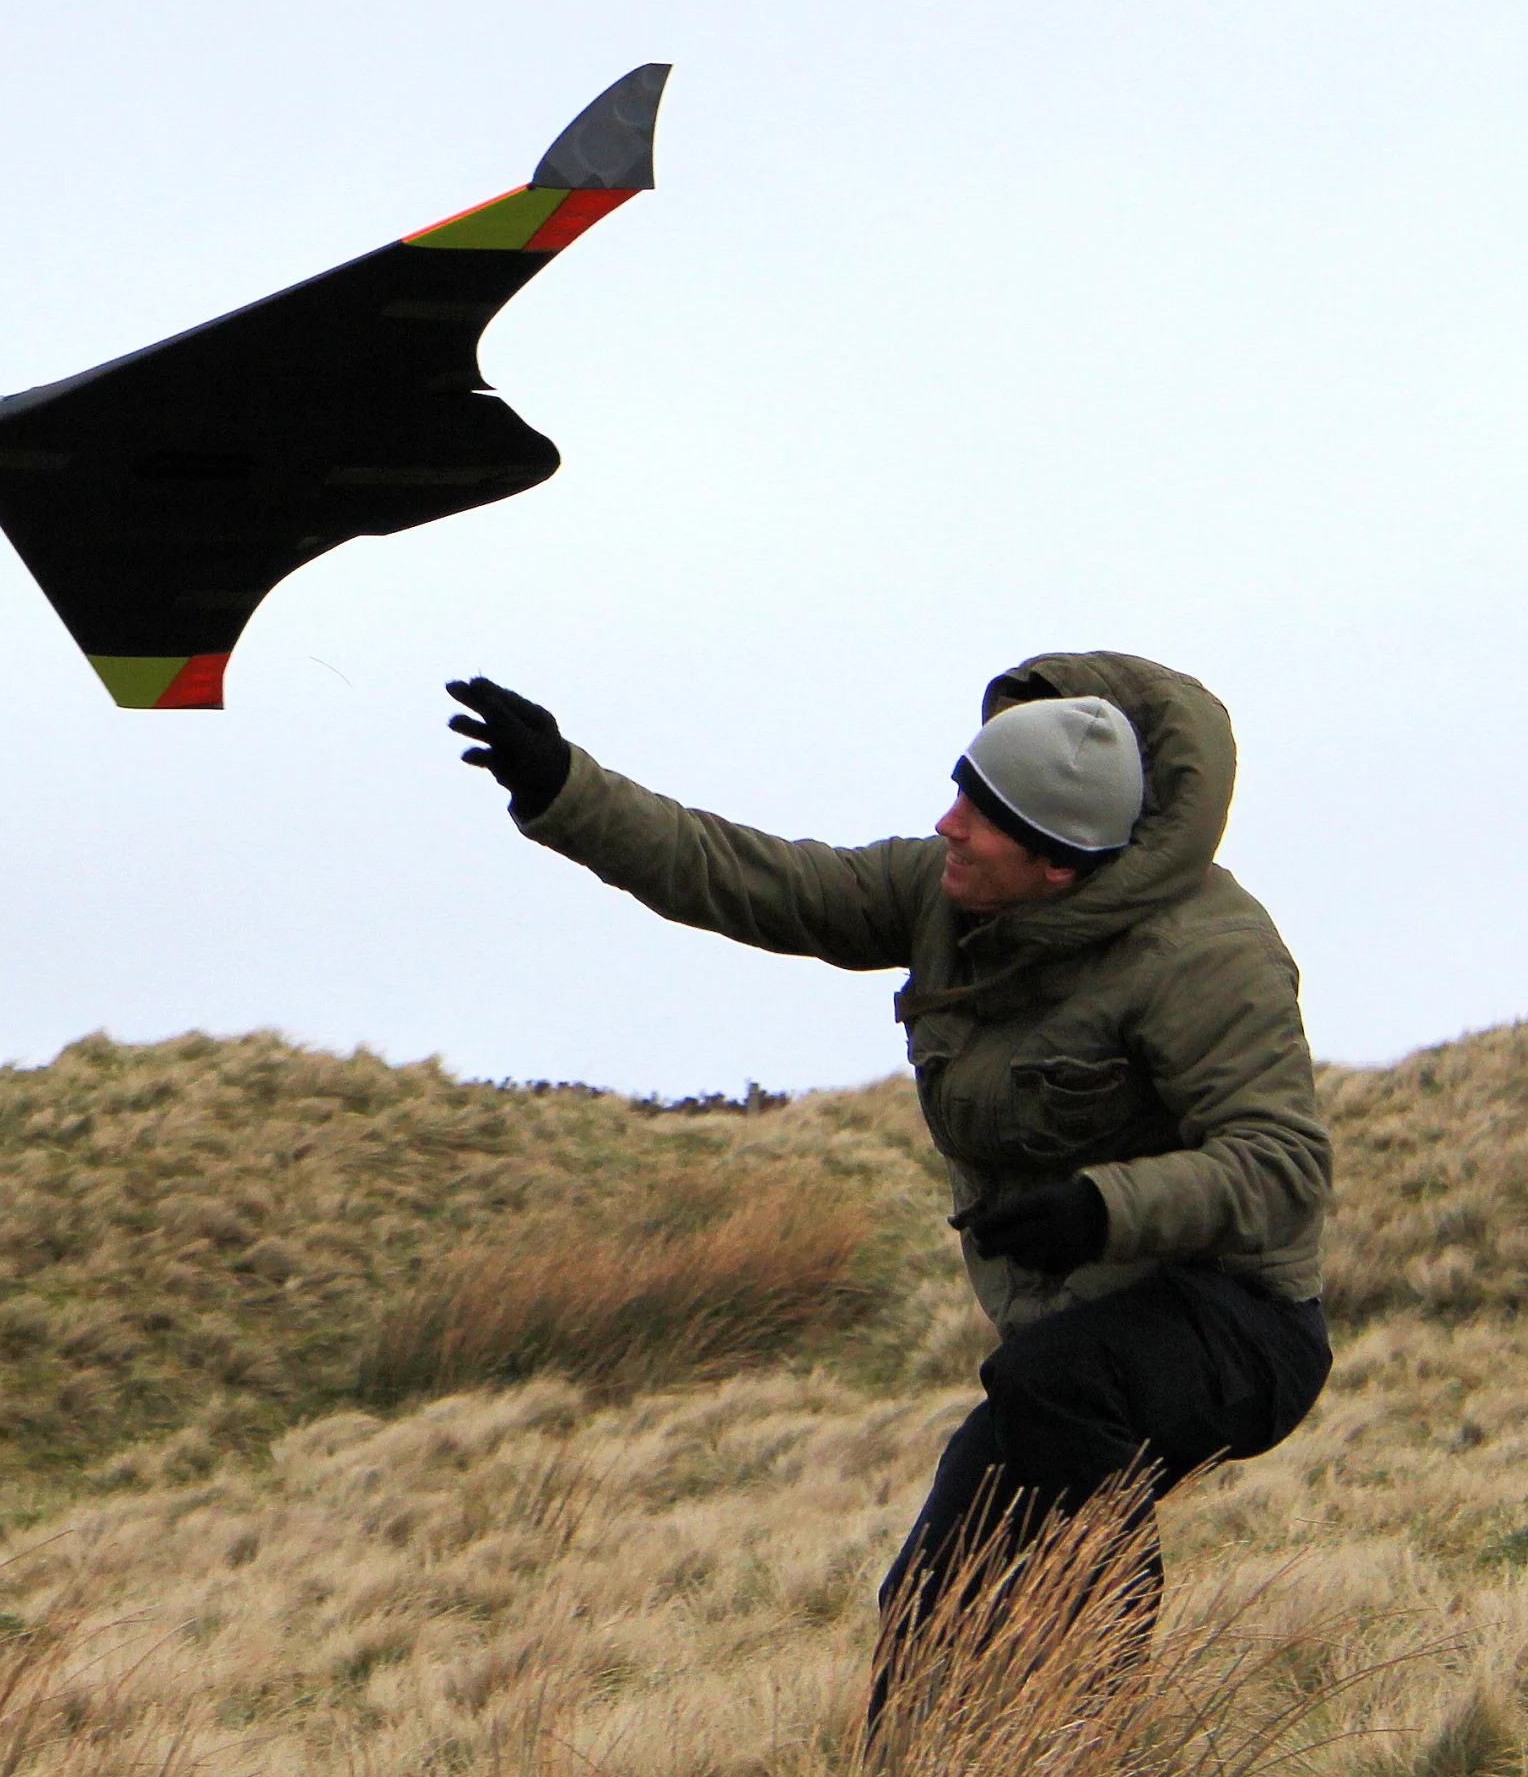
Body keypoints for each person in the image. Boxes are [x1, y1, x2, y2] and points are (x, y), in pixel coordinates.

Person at [445, 653, 1331, 1711]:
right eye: (959, 790)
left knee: (1055, 1392)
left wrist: (1104, 1209)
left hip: (1240, 1320)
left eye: (981, 816)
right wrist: (566, 790)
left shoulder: (1207, 954)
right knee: (930, 1600)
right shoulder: (941, 895)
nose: (949, 825)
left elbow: (1283, 1163)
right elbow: (758, 881)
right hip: (1068, 1347)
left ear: (1057, 865)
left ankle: (1094, 1734)